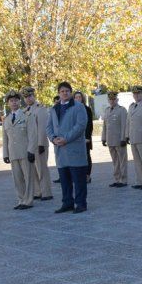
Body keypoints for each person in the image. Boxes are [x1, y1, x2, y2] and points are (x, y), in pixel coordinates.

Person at [47, 81, 89, 213]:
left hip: (74, 149)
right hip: (60, 150)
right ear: (58, 93)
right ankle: (67, 203)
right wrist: (53, 139)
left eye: (67, 91)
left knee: (78, 180)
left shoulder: (78, 106)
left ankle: (81, 204)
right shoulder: (54, 109)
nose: (64, 93)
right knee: (64, 181)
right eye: (62, 91)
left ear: (71, 92)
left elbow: (81, 126)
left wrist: (66, 138)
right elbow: (48, 127)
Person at [2, 90, 37, 210]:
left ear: (19, 101)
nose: (14, 103)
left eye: (16, 100)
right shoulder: (6, 119)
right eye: (11, 101)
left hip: (25, 152)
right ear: (8, 103)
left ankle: (28, 201)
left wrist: (31, 151)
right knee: (17, 178)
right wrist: (5, 154)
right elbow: (5, 139)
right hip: (13, 153)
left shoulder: (27, 116)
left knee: (28, 177)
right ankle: (21, 199)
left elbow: (32, 134)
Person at [22, 87, 52, 201]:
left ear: (34, 96)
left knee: (42, 169)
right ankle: (37, 191)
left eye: (30, 96)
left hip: (40, 144)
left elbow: (42, 128)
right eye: (26, 97)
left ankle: (46, 192)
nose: (28, 99)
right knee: (32, 169)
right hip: (30, 145)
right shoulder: (24, 111)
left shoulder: (41, 109)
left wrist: (41, 144)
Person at [101, 91, 128, 188]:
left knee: (122, 160)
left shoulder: (122, 110)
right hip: (110, 140)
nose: (112, 101)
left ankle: (123, 180)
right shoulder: (107, 110)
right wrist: (103, 138)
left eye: (113, 99)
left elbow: (124, 125)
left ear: (117, 99)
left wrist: (123, 138)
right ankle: (117, 179)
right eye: (110, 99)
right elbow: (105, 126)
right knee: (115, 161)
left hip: (119, 140)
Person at [74, 91, 95, 184]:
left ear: (82, 98)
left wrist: (87, 137)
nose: (78, 99)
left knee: (86, 156)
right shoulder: (72, 109)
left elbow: (89, 124)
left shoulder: (87, 109)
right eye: (76, 97)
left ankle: (87, 175)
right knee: (76, 157)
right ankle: (79, 176)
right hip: (75, 138)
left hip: (85, 138)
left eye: (79, 97)